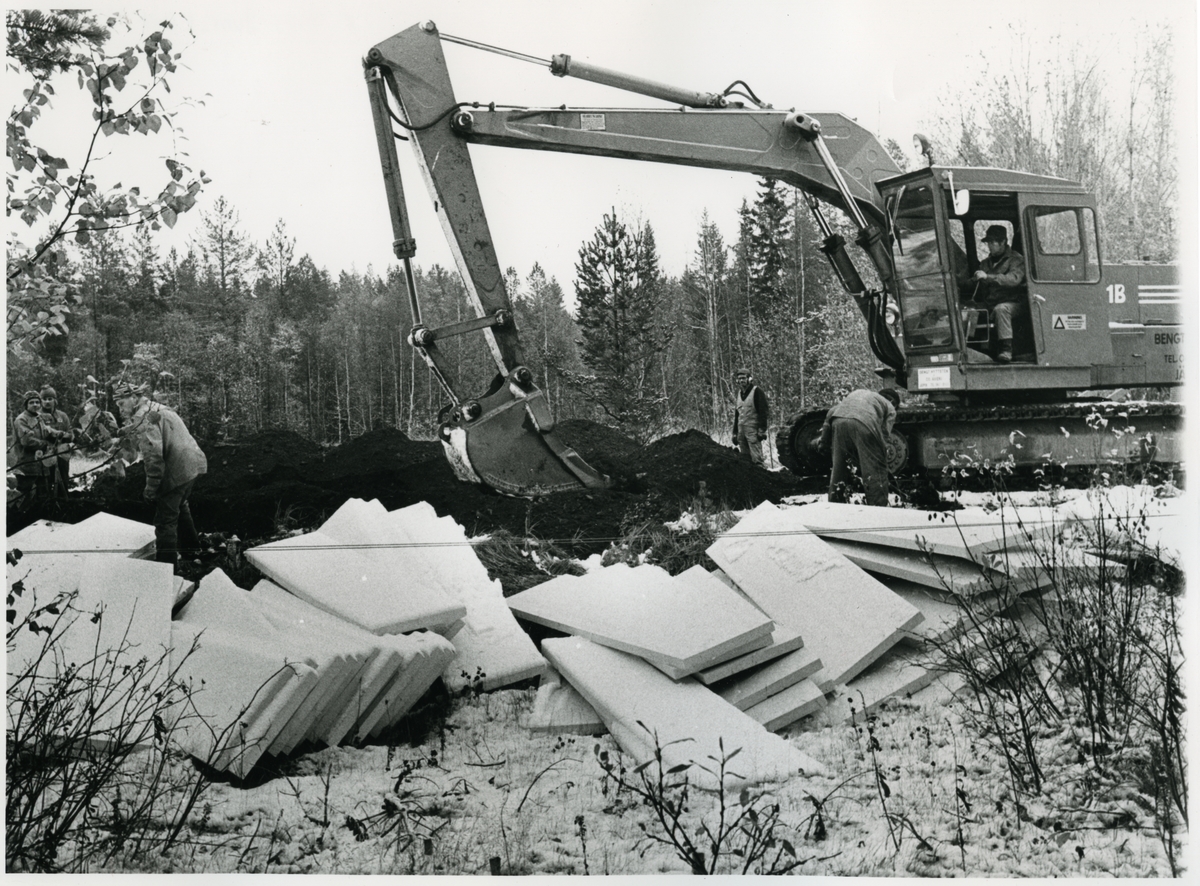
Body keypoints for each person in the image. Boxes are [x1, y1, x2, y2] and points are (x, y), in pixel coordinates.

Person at [113, 383, 208, 568]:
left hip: (177, 468)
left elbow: (153, 456)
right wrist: (126, 431)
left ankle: (166, 570)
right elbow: (156, 429)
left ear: (134, 398)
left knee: (165, 521)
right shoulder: (155, 407)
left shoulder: (142, 416)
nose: (120, 409)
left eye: (121, 403)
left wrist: (151, 487)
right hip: (192, 464)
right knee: (180, 505)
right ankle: (192, 551)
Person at [817, 388, 901, 508]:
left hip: (838, 421)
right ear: (893, 402)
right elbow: (884, 433)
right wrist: (881, 455)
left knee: (839, 469)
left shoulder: (860, 394)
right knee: (875, 471)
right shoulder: (890, 406)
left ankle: (835, 504)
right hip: (864, 423)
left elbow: (831, 412)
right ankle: (878, 508)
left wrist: (824, 441)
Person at [968, 225, 1027, 363]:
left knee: (1002, 310)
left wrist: (988, 277)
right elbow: (974, 281)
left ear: (1003, 242)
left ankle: (1006, 350)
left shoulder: (1016, 260)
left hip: (1014, 303)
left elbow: (1013, 280)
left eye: (992, 242)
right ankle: (970, 347)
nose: (989, 246)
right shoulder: (986, 263)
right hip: (990, 303)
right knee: (969, 311)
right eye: (988, 243)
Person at [12, 390, 62, 504]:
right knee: (24, 497)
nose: (35, 405)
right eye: (31, 402)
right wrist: (46, 444)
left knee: (42, 497)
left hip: (41, 465)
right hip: (26, 465)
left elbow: (47, 430)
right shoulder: (21, 419)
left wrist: (59, 434)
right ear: (26, 405)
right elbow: (27, 441)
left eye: (37, 402)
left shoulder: (38, 418)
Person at [39, 386, 74, 495]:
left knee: (63, 479)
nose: (47, 402)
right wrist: (57, 435)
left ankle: (63, 499)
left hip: (62, 452)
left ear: (55, 400)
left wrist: (63, 435)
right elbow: (42, 434)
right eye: (44, 399)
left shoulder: (62, 416)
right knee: (46, 481)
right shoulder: (38, 416)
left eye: (50, 399)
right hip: (46, 453)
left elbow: (70, 434)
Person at [731, 368, 769, 466]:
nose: (741, 380)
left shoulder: (757, 391)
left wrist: (761, 430)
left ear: (749, 379)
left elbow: (763, 412)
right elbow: (737, 415)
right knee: (745, 462)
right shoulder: (739, 394)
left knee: (757, 460)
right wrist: (735, 433)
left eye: (743, 378)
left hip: (753, 431)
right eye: (739, 378)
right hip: (741, 432)